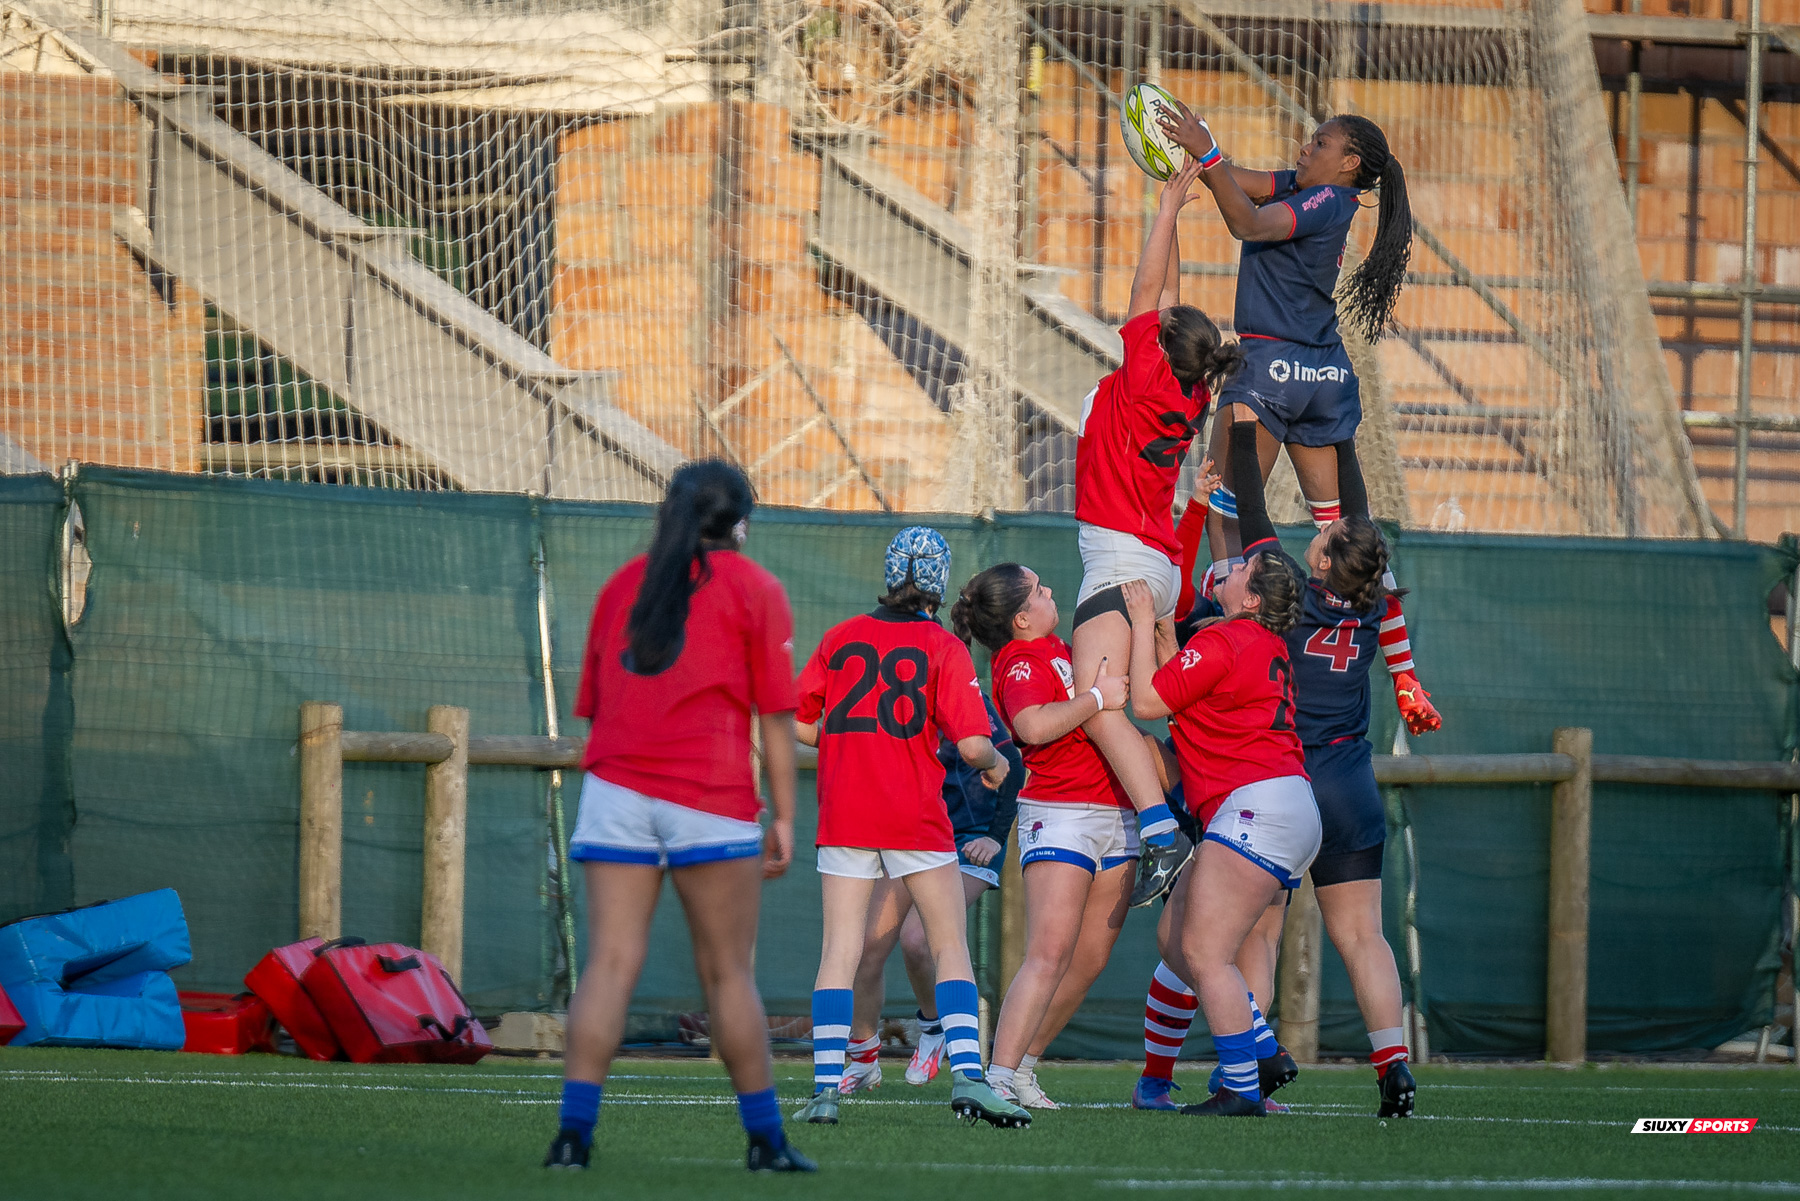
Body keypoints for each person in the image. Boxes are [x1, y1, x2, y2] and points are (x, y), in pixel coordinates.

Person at [546, 460, 812, 1173]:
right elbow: (776, 719)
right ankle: (767, 1142)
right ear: (742, 524)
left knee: (607, 963)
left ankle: (573, 1137)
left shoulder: (620, 586)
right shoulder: (758, 589)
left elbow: (599, 707)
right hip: (710, 797)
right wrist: (786, 815)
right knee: (728, 974)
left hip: (615, 792)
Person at [1154, 105, 1441, 740]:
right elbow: (1244, 181)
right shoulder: (1311, 190)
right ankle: (1404, 674)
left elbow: (1247, 221)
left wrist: (1203, 155)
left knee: (1228, 512)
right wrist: (1196, 157)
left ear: (1350, 164)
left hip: (1272, 365)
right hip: (1323, 375)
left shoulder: (1326, 202)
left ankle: (1231, 659)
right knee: (1348, 537)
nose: (1306, 149)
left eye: (1321, 143)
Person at [792, 527, 1030, 1129]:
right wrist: (1000, 764)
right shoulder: (943, 647)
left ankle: (825, 1089)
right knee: (948, 944)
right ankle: (971, 1081)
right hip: (914, 816)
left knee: (839, 950)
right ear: (938, 580)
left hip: (844, 812)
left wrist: (843, 741)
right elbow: (975, 744)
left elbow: (799, 725)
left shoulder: (840, 638)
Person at [1071, 155, 1246, 907]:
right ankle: (1175, 809)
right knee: (1134, 707)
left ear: (1158, 345)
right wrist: (1172, 213)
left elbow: (1149, 293)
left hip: (1123, 560)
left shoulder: (1145, 375)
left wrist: (1169, 204)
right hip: (1158, 562)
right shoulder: (1185, 391)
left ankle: (1161, 831)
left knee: (1098, 699)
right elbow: (1165, 301)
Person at [1119, 509, 1317, 1117]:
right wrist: (1166, 642)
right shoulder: (1260, 643)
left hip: (1257, 807)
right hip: (1282, 806)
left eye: (1241, 571)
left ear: (1252, 599)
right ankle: (1261, 1051)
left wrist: (1138, 620)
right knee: (1175, 941)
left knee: (1205, 954)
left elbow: (1150, 701)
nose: (1227, 571)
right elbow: (1199, 705)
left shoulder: (1228, 637)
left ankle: (1241, 1085)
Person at [952, 562, 1137, 1109]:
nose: (1050, 590)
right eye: (1040, 588)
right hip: (1061, 811)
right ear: (1021, 618)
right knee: (1050, 951)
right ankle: (998, 1075)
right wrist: (1096, 699)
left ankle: (1026, 1065)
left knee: (1089, 958)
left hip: (1114, 811)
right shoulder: (1018, 659)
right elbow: (1031, 726)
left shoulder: (1059, 644)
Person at [837, 688, 1023, 1096]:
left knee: (919, 941)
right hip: (916, 834)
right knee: (868, 947)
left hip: (969, 839)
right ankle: (864, 1058)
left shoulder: (962, 693)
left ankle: (936, 1029)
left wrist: (994, 837)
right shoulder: (889, 697)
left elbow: (1012, 765)